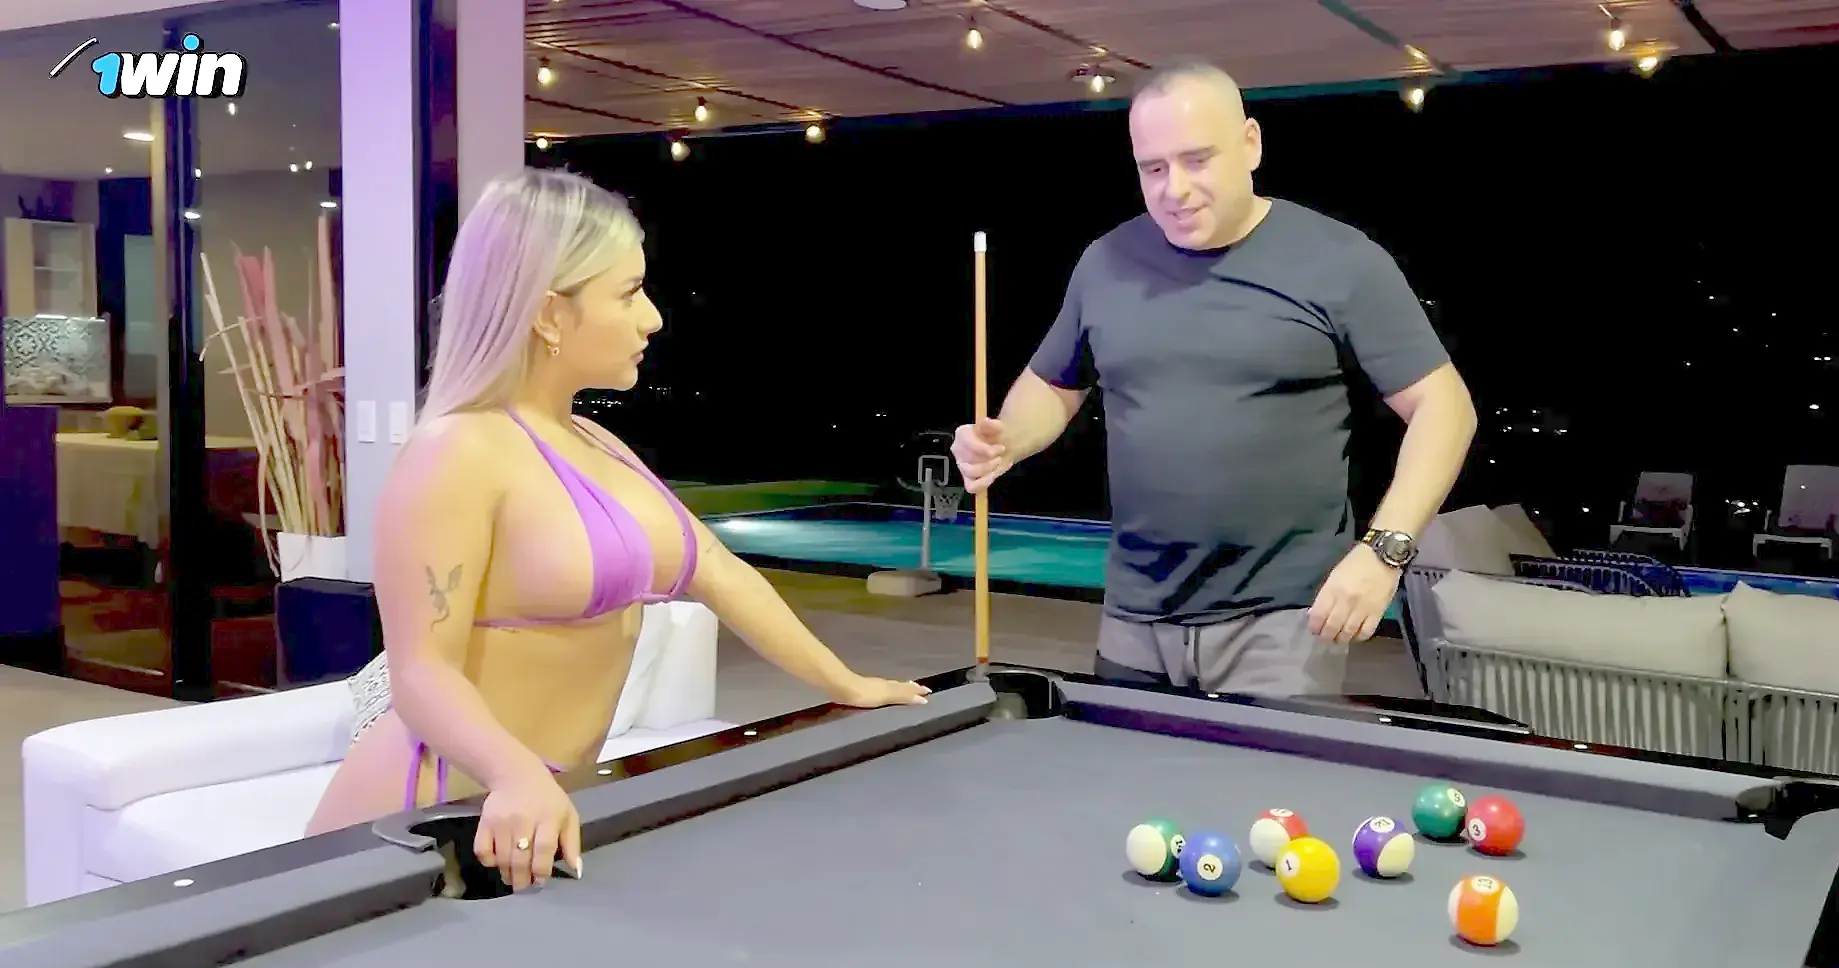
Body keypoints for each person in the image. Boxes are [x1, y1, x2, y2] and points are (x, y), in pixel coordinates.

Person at [307, 168, 928, 889]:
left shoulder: (598, 443)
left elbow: (723, 574)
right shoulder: (456, 451)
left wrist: (847, 682)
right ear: (550, 314)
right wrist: (514, 775)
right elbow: (421, 671)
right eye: (629, 293)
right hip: (430, 818)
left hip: (540, 811)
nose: (653, 318)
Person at [951, 59, 1477, 701]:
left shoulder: (1340, 261)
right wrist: (1007, 438)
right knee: (1129, 767)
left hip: (1284, 619)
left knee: (1263, 772)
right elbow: (1053, 386)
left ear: (1251, 144)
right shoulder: (1105, 262)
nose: (1174, 189)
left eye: (1197, 160)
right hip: (1133, 613)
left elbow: (1445, 408)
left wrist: (1382, 551)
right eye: (1153, 168)